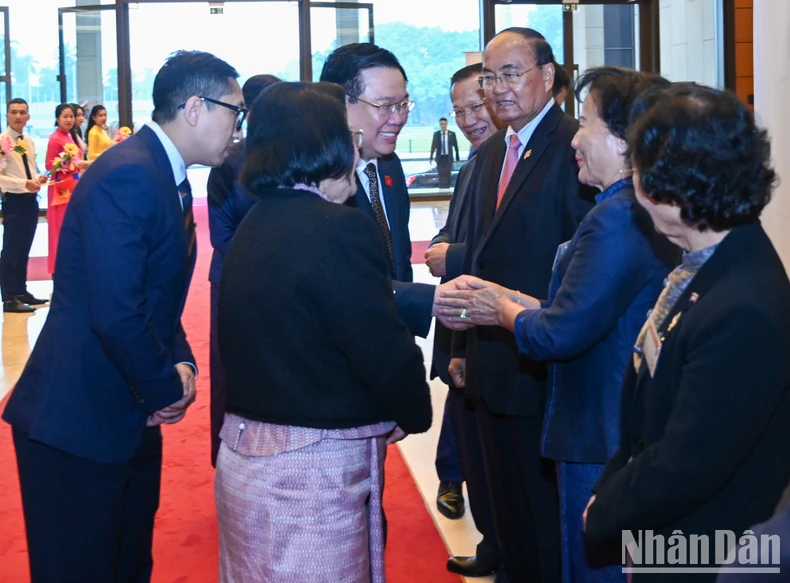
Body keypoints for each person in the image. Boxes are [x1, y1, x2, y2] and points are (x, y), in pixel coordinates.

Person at [2, 50, 244, 582]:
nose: (239, 127)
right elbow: (116, 312)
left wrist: (181, 364)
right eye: (236, 111)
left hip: (120, 412)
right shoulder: (131, 174)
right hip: (77, 423)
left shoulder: (162, 171)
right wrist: (164, 389)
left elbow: (154, 296)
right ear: (196, 108)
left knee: (127, 564)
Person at [436, 67, 679, 583]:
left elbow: (560, 331)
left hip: (598, 430)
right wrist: (504, 295)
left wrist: (495, 310)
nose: (577, 135)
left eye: (586, 122)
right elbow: (572, 304)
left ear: (623, 141)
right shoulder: (621, 208)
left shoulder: (617, 216)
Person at [215, 81, 431, 583]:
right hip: (309, 476)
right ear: (331, 146)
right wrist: (411, 410)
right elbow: (379, 346)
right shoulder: (338, 228)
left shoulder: (256, 221)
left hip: (248, 461)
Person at [582, 85, 790, 582]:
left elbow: (687, 463)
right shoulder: (704, 266)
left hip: (712, 552)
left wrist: (607, 508)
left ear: (666, 191)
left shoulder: (744, 307)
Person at [449, 27, 595, 582]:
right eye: (490, 77)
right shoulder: (492, 154)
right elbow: (480, 264)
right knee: (502, 502)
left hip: (543, 367)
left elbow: (581, 268)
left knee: (543, 515)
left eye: (511, 73)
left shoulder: (575, 148)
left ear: (547, 76)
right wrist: (462, 347)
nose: (498, 88)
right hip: (490, 360)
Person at [425, 62, 507, 578]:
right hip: (464, 323)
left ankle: (502, 549)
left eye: (476, 106)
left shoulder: (509, 162)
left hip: (490, 324)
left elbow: (486, 252)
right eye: (458, 111)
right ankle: (493, 545)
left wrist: (450, 257)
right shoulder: (478, 162)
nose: (469, 119)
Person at [206, 73, 281, 467]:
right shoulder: (227, 161)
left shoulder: (293, 156)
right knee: (229, 375)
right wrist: (272, 265)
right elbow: (223, 236)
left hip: (285, 289)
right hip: (233, 287)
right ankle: (227, 461)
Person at [320, 42, 415, 284]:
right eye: (384, 106)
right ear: (339, 103)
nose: (398, 118)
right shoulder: (320, 180)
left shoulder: (390, 164)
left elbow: (400, 260)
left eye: (403, 105)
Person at [0, 98, 49, 313]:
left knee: (24, 248)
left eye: (22, 112)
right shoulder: (2, 142)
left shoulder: (28, 140)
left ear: (28, 116)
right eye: (14, 112)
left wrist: (38, 178)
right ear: (7, 116)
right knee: (11, 250)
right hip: (14, 200)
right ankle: (9, 298)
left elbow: (29, 168)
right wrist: (23, 184)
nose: (18, 116)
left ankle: (21, 291)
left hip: (30, 199)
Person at [45, 103, 87, 275]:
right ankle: (59, 272)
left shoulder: (69, 136)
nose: (69, 119)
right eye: (65, 116)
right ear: (57, 119)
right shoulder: (55, 138)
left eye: (71, 116)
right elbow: (49, 165)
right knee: (60, 230)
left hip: (72, 187)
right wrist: (68, 165)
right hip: (61, 190)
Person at [430, 117, 460, 188]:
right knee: (441, 175)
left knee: (448, 174)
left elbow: (455, 146)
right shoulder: (436, 134)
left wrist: (457, 158)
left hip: (448, 158)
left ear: (447, 124)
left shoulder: (452, 134)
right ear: (440, 125)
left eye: (444, 124)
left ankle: (447, 189)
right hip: (440, 158)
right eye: (442, 124)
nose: (443, 125)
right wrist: (431, 158)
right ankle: (441, 189)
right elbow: (433, 147)